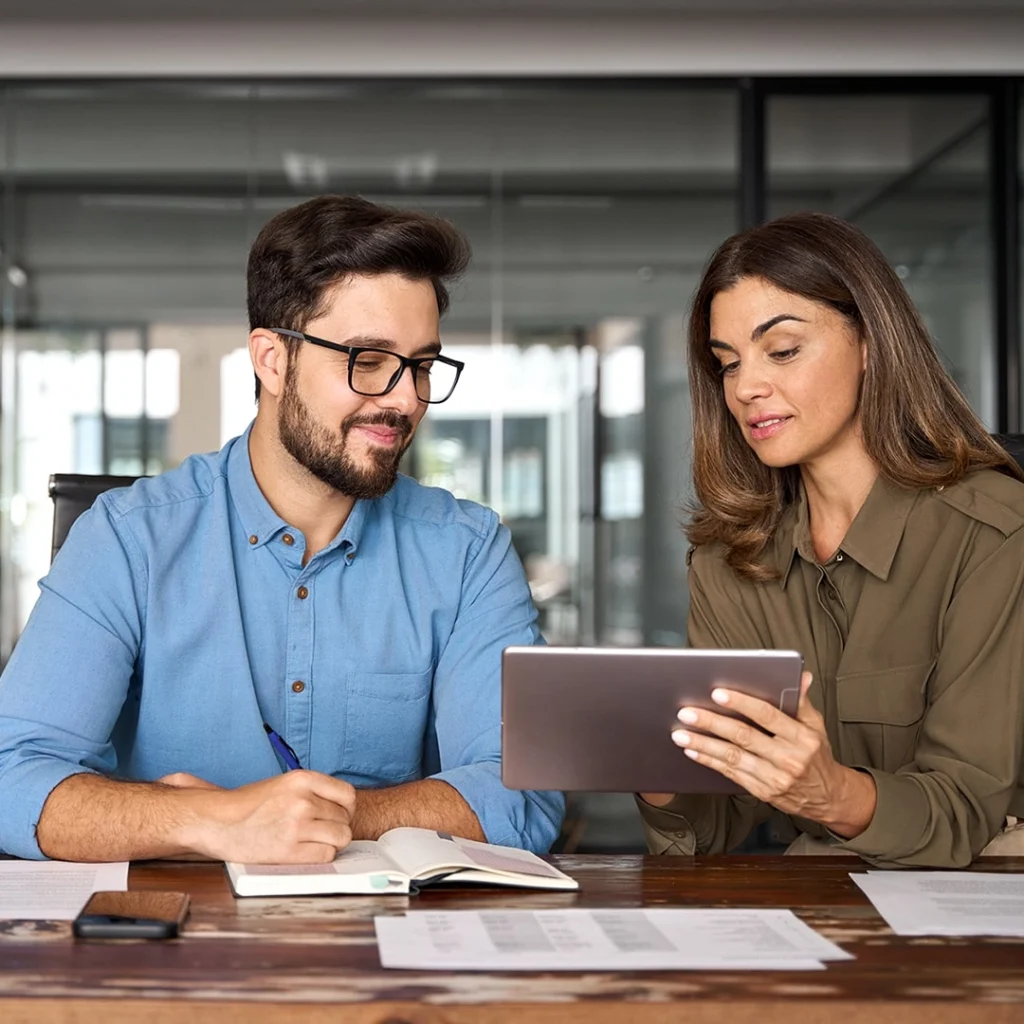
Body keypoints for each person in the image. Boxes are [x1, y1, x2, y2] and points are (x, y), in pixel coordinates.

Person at [0, 195, 563, 862]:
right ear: (272, 361)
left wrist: (317, 818)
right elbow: (13, 779)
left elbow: (522, 793)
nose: (406, 398)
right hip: (175, 947)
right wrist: (216, 820)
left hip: (388, 945)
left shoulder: (467, 550)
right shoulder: (125, 540)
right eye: (368, 360)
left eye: (421, 365)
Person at [639, 212, 1024, 867]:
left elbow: (967, 810)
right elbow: (718, 823)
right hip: (823, 890)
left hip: (986, 890)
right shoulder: (730, 558)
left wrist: (830, 795)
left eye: (782, 349)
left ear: (871, 343)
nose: (746, 387)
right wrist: (659, 771)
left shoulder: (993, 532)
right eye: (726, 363)